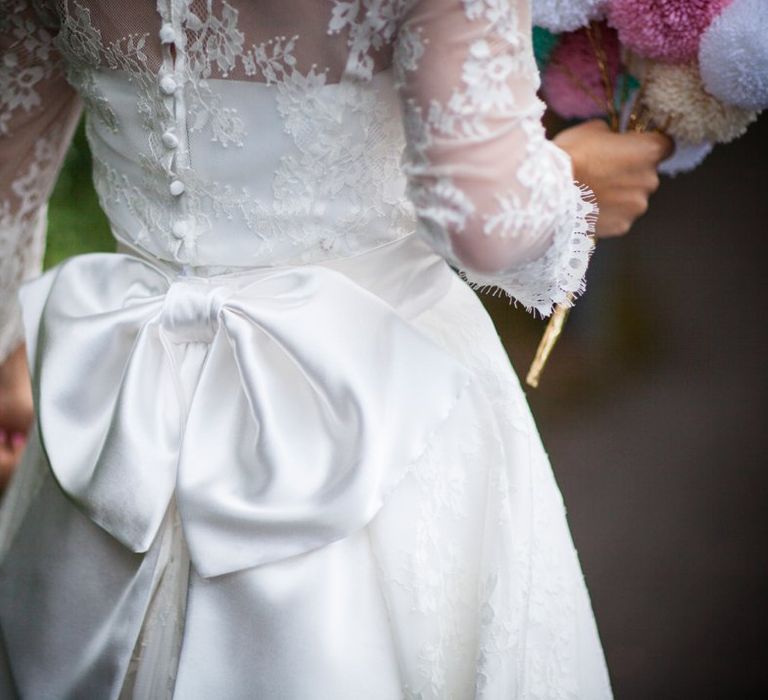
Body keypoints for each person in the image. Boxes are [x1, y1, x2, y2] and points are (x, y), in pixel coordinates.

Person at [0, 1, 671, 697]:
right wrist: (576, 183)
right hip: (381, 420)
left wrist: (9, 360)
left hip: (121, 420)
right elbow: (483, 221)